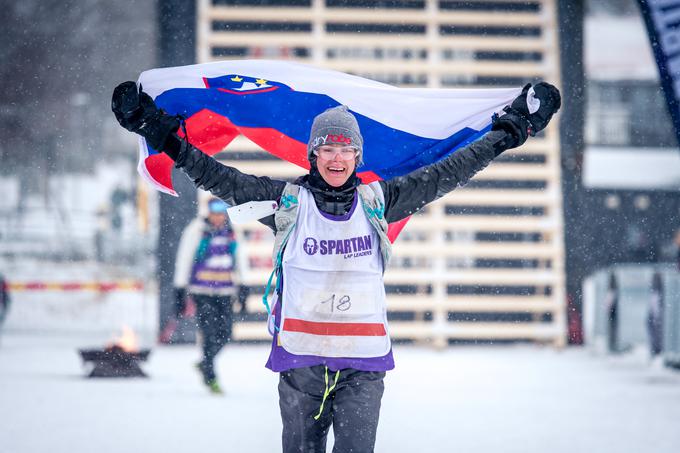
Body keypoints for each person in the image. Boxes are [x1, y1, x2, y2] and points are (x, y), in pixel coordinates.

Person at [112, 80, 560, 452]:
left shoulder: (379, 202)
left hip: (363, 368)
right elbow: (217, 177)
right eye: (327, 148)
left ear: (357, 156)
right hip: (301, 364)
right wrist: (160, 132)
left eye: (347, 149)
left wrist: (512, 129)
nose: (337, 158)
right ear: (313, 154)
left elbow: (451, 169)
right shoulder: (287, 203)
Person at [173, 197, 241, 394]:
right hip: (202, 291)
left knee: (226, 333)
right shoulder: (196, 230)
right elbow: (184, 258)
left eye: (222, 212)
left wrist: (242, 285)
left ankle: (205, 362)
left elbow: (239, 257)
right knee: (209, 332)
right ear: (208, 212)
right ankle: (211, 376)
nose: (218, 217)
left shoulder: (232, 231)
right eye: (214, 212)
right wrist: (179, 289)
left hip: (226, 291)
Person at [648, 271, 664, 359]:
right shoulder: (657, 292)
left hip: (655, 316)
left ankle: (656, 351)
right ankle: (656, 350)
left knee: (655, 333)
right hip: (655, 315)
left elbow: (655, 304)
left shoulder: (656, 292)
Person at [605, 272, 619, 354]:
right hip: (613, 315)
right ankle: (612, 345)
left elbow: (608, 305)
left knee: (612, 331)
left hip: (612, 315)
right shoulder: (614, 292)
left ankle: (612, 345)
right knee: (613, 331)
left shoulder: (611, 292)